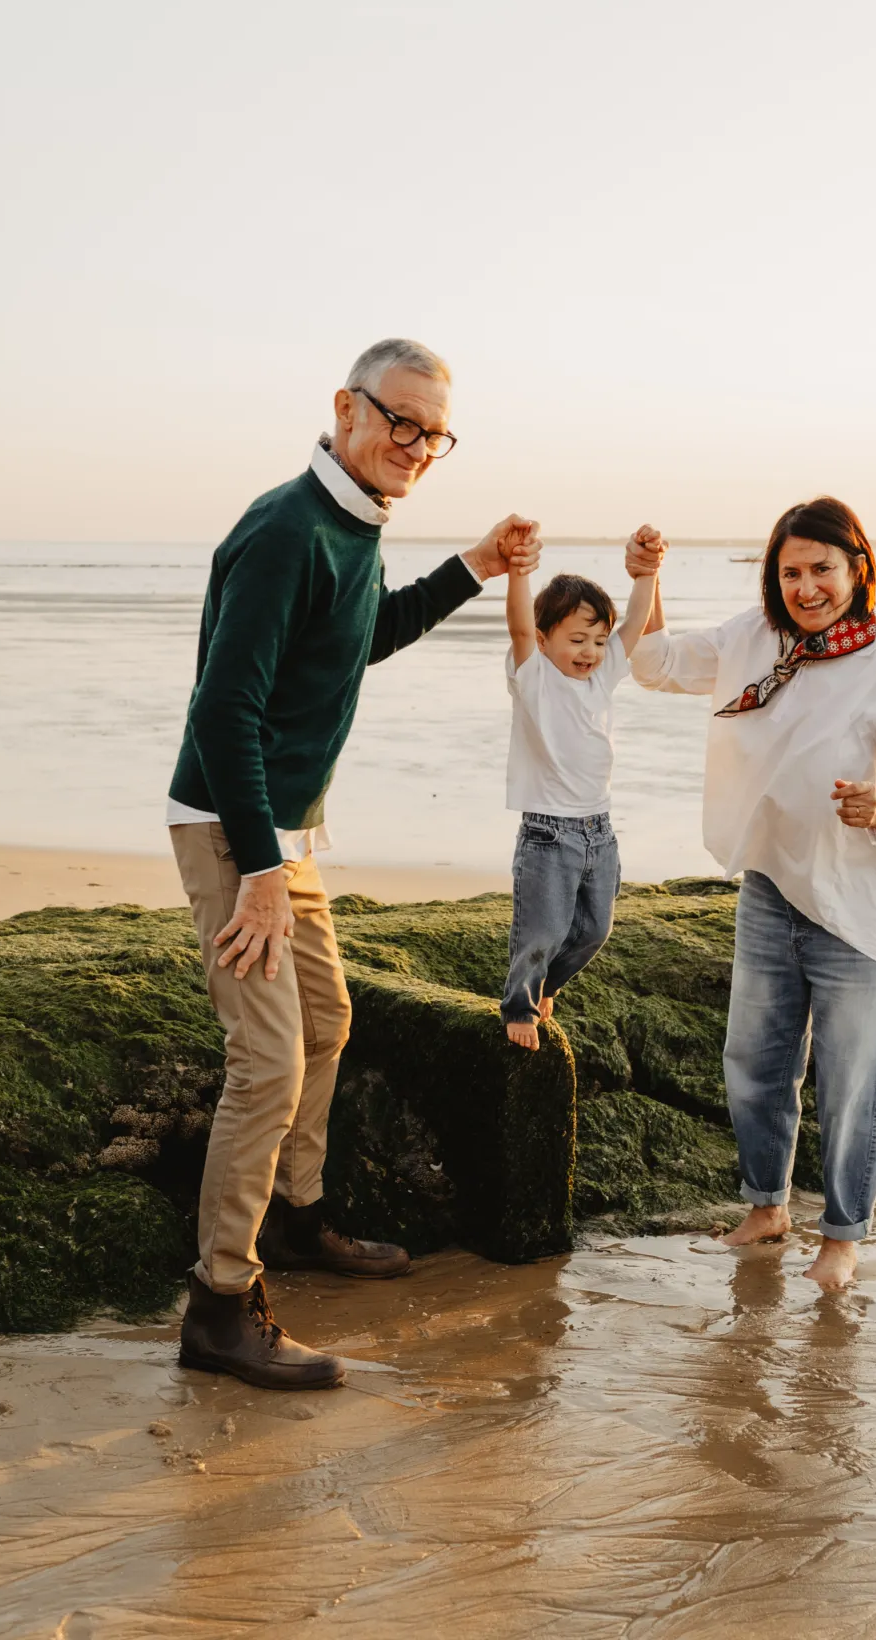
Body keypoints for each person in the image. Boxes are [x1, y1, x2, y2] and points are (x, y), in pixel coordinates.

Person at [167, 337, 540, 1389]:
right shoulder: (290, 529)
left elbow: (360, 637)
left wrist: (473, 565)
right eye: (398, 421)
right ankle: (221, 1306)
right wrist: (253, 871)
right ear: (346, 407)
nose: (415, 445)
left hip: (283, 835)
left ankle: (296, 1219)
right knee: (269, 1062)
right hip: (230, 830)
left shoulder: (350, 526)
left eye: (434, 433)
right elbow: (224, 711)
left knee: (327, 1021)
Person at [626, 498, 876, 1291]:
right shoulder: (754, 639)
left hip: (861, 904)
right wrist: (647, 577)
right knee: (756, 1062)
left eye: (822, 570)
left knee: (851, 1081)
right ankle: (767, 1208)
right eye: (791, 572)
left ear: (857, 569)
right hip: (772, 885)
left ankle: (841, 1238)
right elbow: (654, 661)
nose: (806, 588)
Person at [501, 530, 665, 1051]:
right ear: (545, 639)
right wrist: (520, 570)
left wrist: (647, 574)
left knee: (595, 929)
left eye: (597, 640)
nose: (590, 652)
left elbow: (635, 625)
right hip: (549, 831)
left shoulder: (601, 678)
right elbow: (519, 626)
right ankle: (520, 1006)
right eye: (576, 640)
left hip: (600, 827)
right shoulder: (534, 677)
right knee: (541, 932)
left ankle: (546, 986)